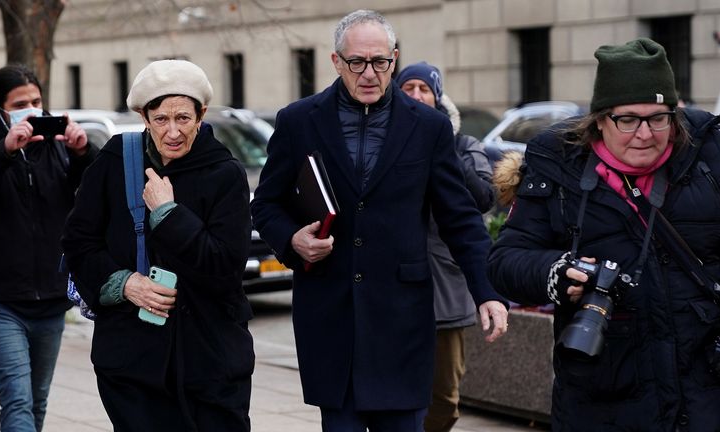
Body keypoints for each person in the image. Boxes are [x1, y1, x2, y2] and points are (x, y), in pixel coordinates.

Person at [250, 10, 508, 432]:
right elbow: (266, 204)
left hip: (401, 321)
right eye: (357, 63)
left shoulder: (428, 126)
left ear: (394, 59)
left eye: (380, 62)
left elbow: (460, 217)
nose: (369, 73)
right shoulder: (298, 121)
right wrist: (291, 239)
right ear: (336, 62)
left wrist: (487, 291)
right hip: (331, 321)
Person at [488, 38, 720, 431]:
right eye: (627, 119)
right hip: (603, 399)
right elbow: (505, 261)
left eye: (658, 118)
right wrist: (557, 271)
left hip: (704, 396)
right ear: (599, 118)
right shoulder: (558, 168)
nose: (645, 134)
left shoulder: (709, 159)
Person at [61, 60, 254, 431]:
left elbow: (226, 267)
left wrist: (168, 214)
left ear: (201, 115)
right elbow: (78, 242)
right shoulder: (116, 160)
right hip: (133, 362)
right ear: (143, 116)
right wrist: (125, 284)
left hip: (211, 361)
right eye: (161, 119)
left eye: (183, 118)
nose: (173, 132)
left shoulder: (225, 173)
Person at [0, 64, 95, 431]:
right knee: (16, 398)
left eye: (36, 101)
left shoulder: (56, 147)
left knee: (37, 399)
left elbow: (95, 191)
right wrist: (5, 150)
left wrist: (82, 152)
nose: (32, 109)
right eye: (21, 103)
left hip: (50, 300)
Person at [396, 62, 495, 432]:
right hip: (393, 288)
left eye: (425, 89)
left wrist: (442, 141)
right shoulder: (387, 142)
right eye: (409, 88)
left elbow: (484, 198)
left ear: (437, 97)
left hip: (445, 291)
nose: (417, 95)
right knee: (394, 394)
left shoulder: (464, 144)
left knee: (444, 399)